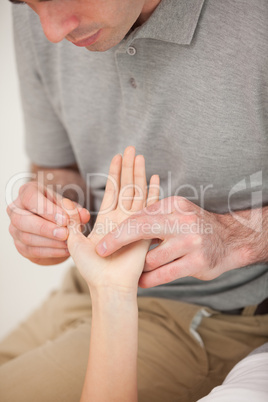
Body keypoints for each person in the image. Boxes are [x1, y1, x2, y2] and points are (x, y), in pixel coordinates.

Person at [2, 0, 268, 400]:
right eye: (26, 3)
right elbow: (54, 167)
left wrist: (234, 237)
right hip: (85, 288)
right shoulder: (41, 21)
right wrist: (49, 214)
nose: (52, 32)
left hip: (213, 315)